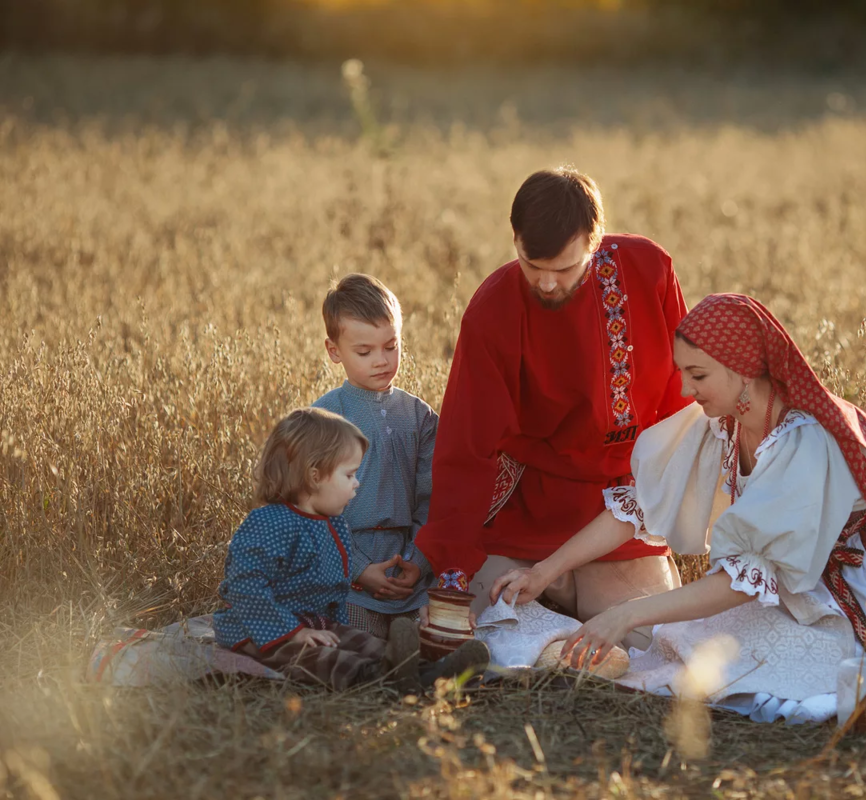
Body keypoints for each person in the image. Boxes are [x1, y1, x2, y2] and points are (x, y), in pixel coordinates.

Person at [494, 294, 866, 723]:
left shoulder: (805, 441)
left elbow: (740, 581)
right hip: (795, 575)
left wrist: (625, 615)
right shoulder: (724, 420)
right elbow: (640, 508)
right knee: (683, 641)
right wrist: (545, 571)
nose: (686, 391)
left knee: (730, 657)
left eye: (698, 375)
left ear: (743, 369)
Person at [411, 167, 691, 649]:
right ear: (514, 238)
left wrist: (659, 498)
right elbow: (466, 446)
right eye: (530, 263)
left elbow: (680, 400)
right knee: (481, 626)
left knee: (655, 641)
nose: (544, 283)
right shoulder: (492, 310)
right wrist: (454, 567)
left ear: (595, 240)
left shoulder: (651, 272)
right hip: (528, 504)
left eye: (563, 269)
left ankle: (575, 610)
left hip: (620, 504)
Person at [212, 408, 487, 691]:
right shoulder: (267, 523)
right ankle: (382, 680)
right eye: (350, 475)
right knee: (320, 659)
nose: (357, 483)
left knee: (366, 643)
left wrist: (339, 630)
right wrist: (293, 633)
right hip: (260, 631)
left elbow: (334, 594)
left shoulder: (334, 525)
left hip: (317, 624)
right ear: (314, 476)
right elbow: (245, 587)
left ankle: (430, 672)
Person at [312, 273, 436, 639]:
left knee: (433, 633)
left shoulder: (420, 416)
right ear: (334, 351)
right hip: (350, 572)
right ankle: (384, 661)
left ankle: (426, 664)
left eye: (391, 346)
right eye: (364, 352)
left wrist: (418, 561)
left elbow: (433, 498)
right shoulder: (324, 417)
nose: (381, 361)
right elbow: (311, 509)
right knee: (359, 641)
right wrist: (359, 569)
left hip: (409, 569)